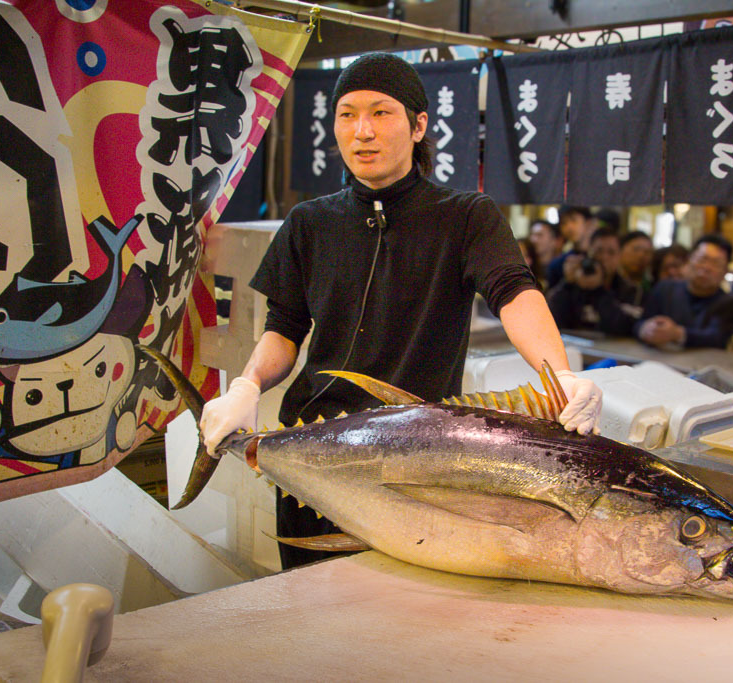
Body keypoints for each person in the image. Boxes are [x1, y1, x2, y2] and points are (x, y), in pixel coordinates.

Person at [197, 53, 602, 570]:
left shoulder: (465, 216)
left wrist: (559, 372)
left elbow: (513, 292)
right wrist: (248, 385)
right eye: (347, 114)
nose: (362, 131)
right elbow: (285, 327)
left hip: (418, 458)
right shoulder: (308, 223)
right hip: (312, 451)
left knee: (397, 611)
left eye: (381, 113)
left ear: (418, 126)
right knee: (307, 606)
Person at [636, 234, 733, 350]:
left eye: (715, 263)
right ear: (689, 260)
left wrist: (677, 333)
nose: (706, 268)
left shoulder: (728, 302)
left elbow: (718, 337)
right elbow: (641, 321)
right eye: (702, 259)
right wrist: (644, 329)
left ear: (725, 271)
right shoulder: (665, 288)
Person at [546, 228, 640, 334]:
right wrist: (567, 283)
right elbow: (551, 319)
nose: (604, 257)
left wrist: (598, 290)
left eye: (611, 252)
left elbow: (622, 327)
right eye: (599, 251)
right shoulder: (574, 283)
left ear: (619, 256)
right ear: (589, 252)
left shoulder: (630, 290)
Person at [545, 205, 595, 288]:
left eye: (573, 220)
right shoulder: (557, 265)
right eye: (564, 223)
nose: (569, 227)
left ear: (588, 222)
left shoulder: (600, 258)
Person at [618, 231, 654, 307]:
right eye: (636, 249)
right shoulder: (609, 285)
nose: (641, 255)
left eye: (647, 252)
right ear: (620, 250)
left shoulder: (651, 290)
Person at [527, 219, 563, 286]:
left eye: (539, 235)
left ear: (554, 241)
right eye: (532, 235)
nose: (533, 240)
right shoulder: (527, 268)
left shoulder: (561, 270)